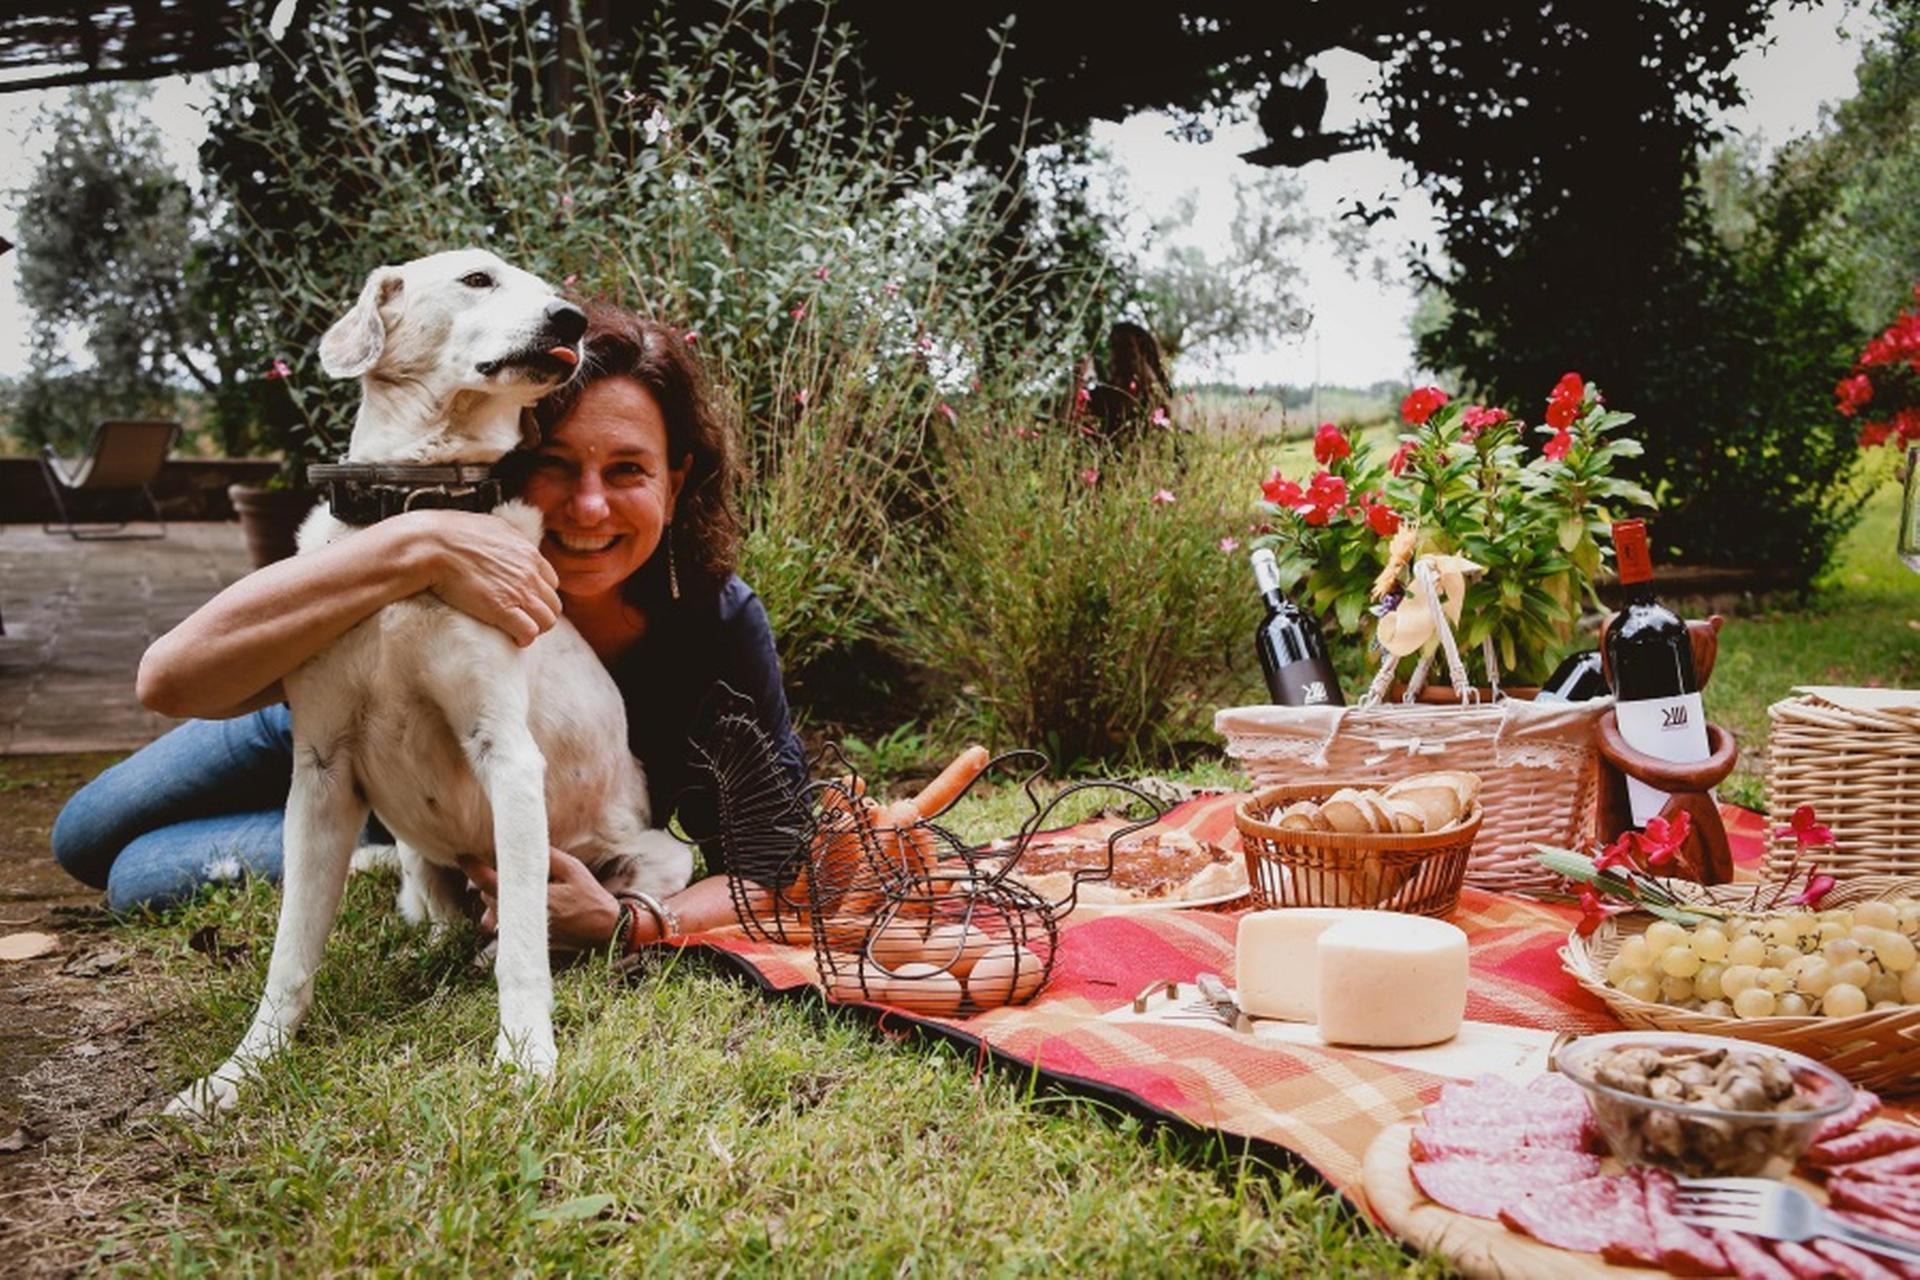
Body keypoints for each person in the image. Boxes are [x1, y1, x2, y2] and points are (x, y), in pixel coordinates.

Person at [50, 303, 806, 952]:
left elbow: (779, 864)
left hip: (462, 811)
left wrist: (631, 921)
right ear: (508, 462)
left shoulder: (714, 626)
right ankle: (374, 829)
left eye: (627, 471)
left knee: (138, 877)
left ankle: (389, 844)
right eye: (555, 463)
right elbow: (169, 677)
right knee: (82, 833)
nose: (587, 508)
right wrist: (418, 544)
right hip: (333, 726)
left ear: (674, 485)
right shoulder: (433, 541)